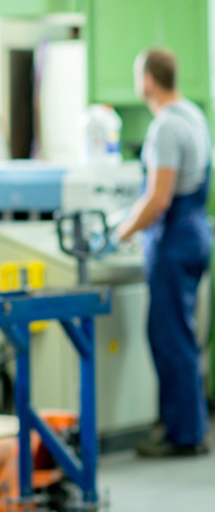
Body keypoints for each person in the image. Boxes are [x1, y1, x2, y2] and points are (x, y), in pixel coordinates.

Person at [116, 48, 211, 457]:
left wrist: (121, 231)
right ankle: (184, 425)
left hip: (174, 242)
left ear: (148, 80)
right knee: (181, 335)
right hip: (194, 232)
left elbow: (158, 199)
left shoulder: (167, 127)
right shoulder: (193, 114)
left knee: (170, 339)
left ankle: (183, 435)